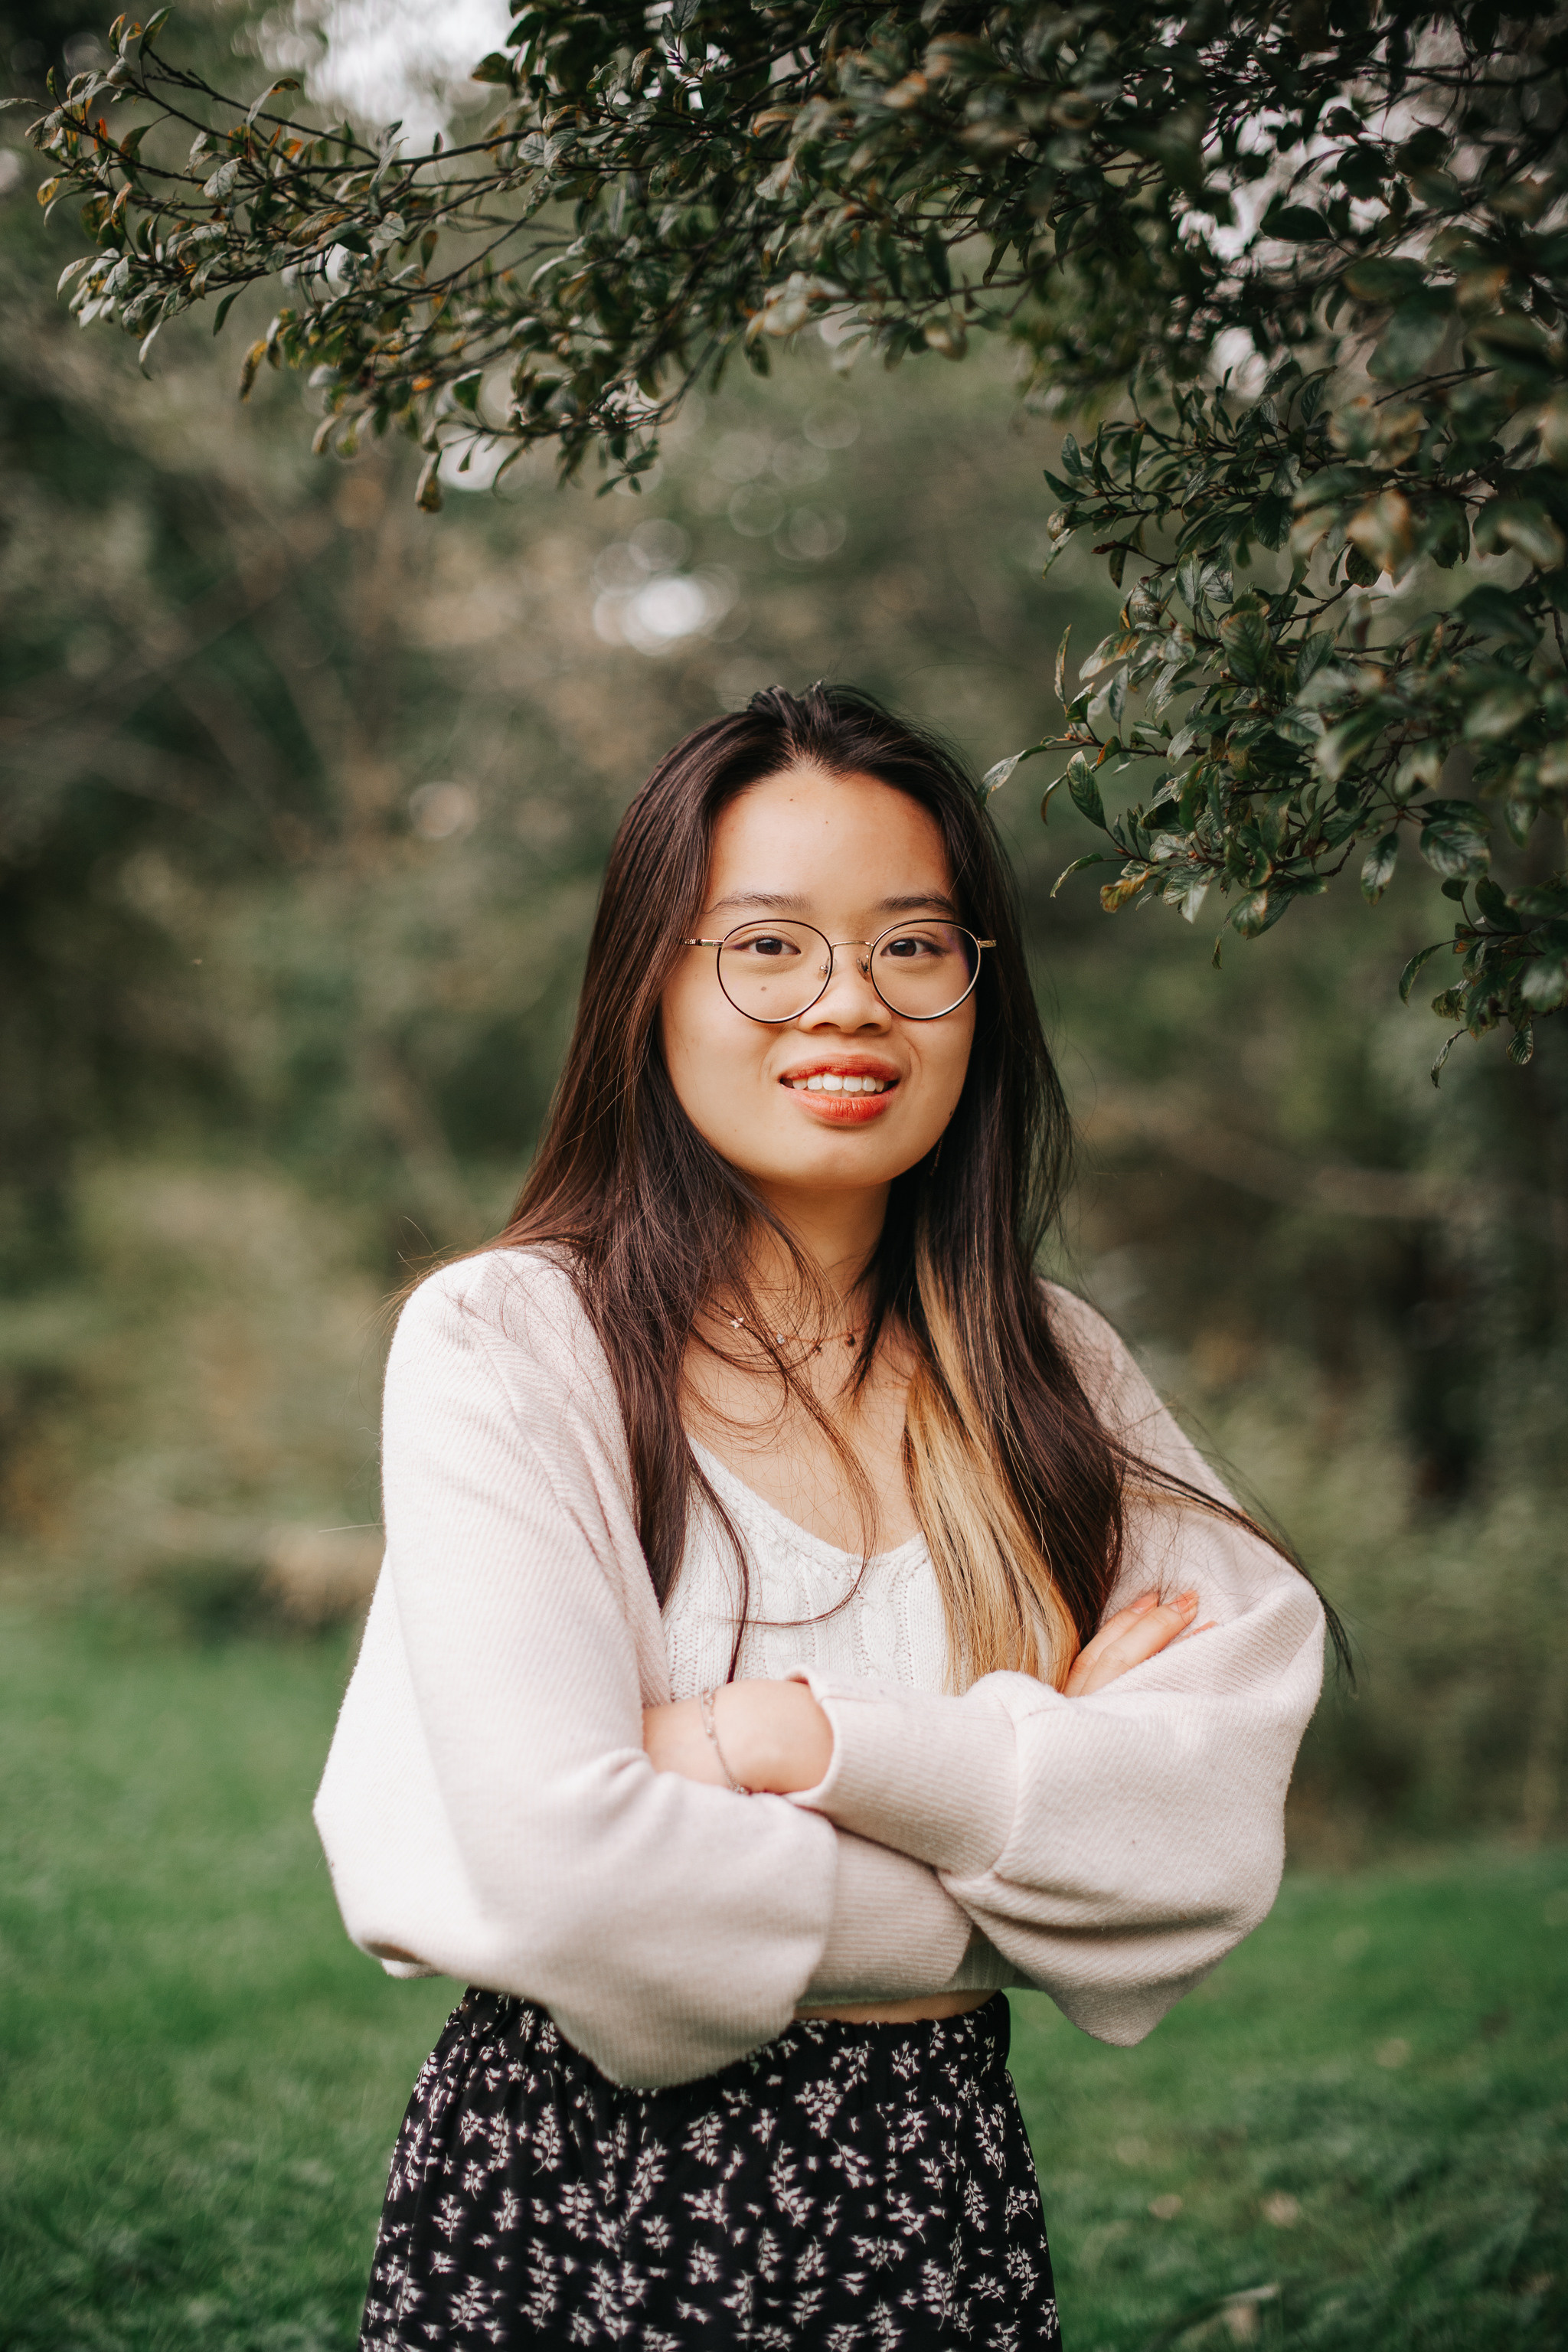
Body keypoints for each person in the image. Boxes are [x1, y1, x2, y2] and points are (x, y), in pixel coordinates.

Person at [318, 684, 1329, 2350]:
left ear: (979, 992)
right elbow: (571, 1887)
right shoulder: (513, 1342)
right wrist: (1021, 1856)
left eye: (914, 945)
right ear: (647, 984)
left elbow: (1203, 1835)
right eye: (768, 946)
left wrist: (788, 1743)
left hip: (940, 2216)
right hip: (576, 2205)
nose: (849, 1001)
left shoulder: (1050, 1365)